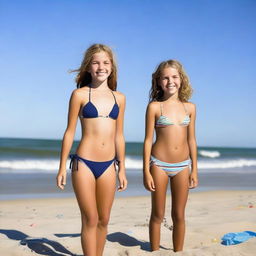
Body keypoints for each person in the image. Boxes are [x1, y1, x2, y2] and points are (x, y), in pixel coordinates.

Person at [56, 43, 127, 256]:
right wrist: (61, 168)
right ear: (88, 67)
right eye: (95, 62)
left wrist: (122, 168)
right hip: (84, 162)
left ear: (112, 67)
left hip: (109, 165)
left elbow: (119, 136)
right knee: (90, 219)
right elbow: (69, 132)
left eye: (106, 62)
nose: (101, 67)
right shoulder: (79, 95)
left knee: (104, 220)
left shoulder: (120, 98)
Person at [143, 60, 198, 252]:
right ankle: (154, 251)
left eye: (174, 77)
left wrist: (194, 171)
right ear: (158, 81)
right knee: (157, 214)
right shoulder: (155, 107)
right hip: (158, 165)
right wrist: (146, 172)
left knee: (179, 215)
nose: (170, 81)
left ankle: (178, 251)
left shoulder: (189, 108)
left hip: (183, 166)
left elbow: (191, 140)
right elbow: (148, 140)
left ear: (181, 80)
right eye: (165, 77)